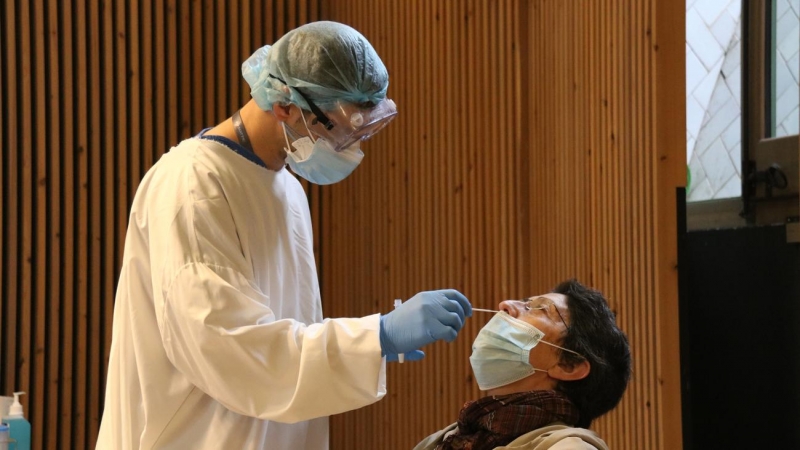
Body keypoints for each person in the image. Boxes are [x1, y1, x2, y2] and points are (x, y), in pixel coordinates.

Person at [97, 21, 472, 449]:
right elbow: (230, 349)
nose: (351, 145)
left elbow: (286, 337)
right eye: (341, 127)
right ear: (285, 105)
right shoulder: (193, 185)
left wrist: (373, 345)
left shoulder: (288, 188)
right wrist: (376, 336)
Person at [414, 279, 631, 450]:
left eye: (539, 309)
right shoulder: (444, 440)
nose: (505, 305)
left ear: (568, 366)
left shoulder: (569, 447)